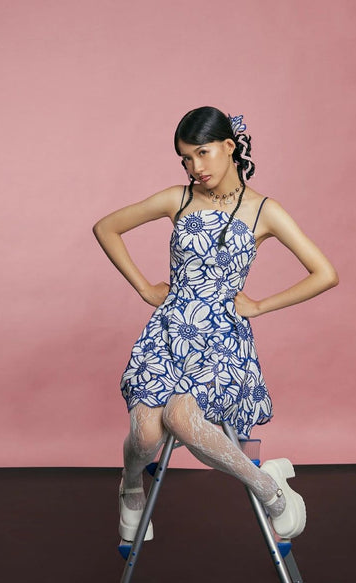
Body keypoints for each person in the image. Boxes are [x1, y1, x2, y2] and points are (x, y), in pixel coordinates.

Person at [92, 106, 338, 542]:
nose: (195, 167)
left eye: (202, 153)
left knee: (182, 418)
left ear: (229, 146)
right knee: (145, 433)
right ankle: (130, 486)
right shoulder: (178, 198)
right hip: (169, 330)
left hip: (221, 338)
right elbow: (106, 227)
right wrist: (144, 288)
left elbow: (325, 273)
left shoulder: (264, 210)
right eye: (186, 158)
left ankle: (270, 490)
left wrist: (260, 305)